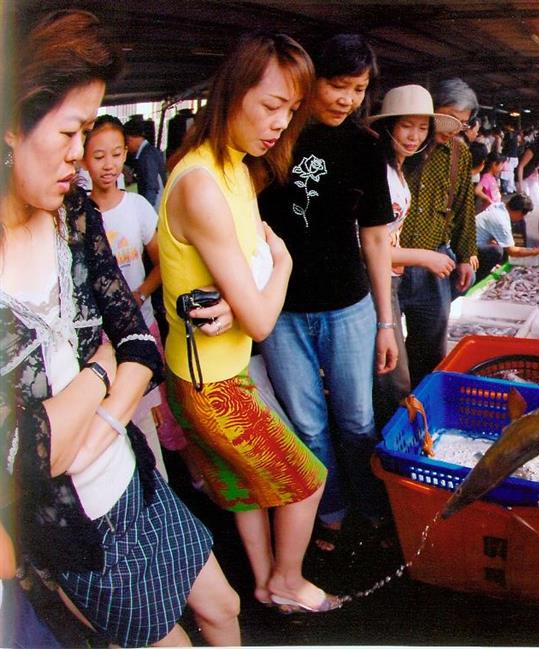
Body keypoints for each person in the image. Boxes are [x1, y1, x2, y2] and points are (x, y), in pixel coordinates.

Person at [0, 10, 241, 645]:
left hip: (136, 477)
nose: (79, 157)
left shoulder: (73, 213)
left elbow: (137, 340)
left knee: (224, 607)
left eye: (87, 134)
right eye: (70, 132)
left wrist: (102, 414)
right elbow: (30, 455)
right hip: (78, 537)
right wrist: (104, 367)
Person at [160, 30, 338, 613]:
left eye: (291, 110)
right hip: (212, 385)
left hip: (212, 371)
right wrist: (282, 265)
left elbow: (242, 274)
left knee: (244, 490)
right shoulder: (202, 185)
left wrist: (239, 298)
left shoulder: (235, 167)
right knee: (307, 480)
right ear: (232, 92)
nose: (280, 124)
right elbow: (262, 319)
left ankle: (265, 584)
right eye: (271, 105)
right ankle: (287, 581)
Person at [257, 33, 397, 553]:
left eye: (358, 89)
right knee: (308, 424)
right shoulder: (275, 137)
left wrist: (385, 322)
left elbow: (376, 237)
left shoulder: (367, 146)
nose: (348, 100)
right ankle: (330, 509)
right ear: (310, 80)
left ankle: (372, 504)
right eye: (338, 85)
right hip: (281, 310)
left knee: (358, 418)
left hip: (348, 307)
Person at [82, 114, 173, 481]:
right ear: (82, 158)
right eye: (98, 156)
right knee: (118, 422)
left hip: (143, 327)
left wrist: (139, 293)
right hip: (102, 343)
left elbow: (162, 263)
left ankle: (167, 483)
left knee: (156, 416)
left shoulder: (137, 208)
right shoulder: (78, 215)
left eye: (116, 154)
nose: (109, 165)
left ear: (126, 155)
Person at [368, 84, 458, 426]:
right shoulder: (380, 171)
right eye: (406, 126)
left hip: (388, 277)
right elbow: (368, 246)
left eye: (422, 128)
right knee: (393, 376)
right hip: (373, 282)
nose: (414, 136)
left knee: (394, 368)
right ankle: (390, 440)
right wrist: (423, 257)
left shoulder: (398, 169)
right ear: (388, 126)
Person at [398, 78, 479, 385]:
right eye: (450, 119)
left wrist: (465, 256)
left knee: (430, 343)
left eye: (463, 124)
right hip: (392, 262)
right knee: (386, 348)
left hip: (436, 263)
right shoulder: (402, 147)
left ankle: (421, 399)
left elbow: (463, 208)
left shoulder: (459, 154)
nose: (454, 129)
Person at [475, 193, 539, 280]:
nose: (522, 218)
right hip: (471, 249)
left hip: (473, 242)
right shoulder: (502, 221)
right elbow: (512, 251)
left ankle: (492, 266)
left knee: (502, 244)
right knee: (497, 251)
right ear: (519, 212)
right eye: (523, 215)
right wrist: (532, 252)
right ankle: (480, 277)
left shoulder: (498, 206)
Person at [123, 117, 166, 211]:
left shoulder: (147, 156)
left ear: (130, 139)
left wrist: (146, 210)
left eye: (126, 142)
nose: (127, 147)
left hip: (155, 209)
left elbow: (152, 187)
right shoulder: (149, 152)